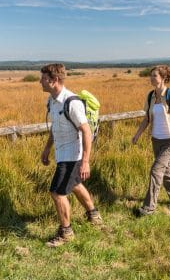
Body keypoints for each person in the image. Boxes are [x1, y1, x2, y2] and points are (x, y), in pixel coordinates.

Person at [40, 63, 102, 247]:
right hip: (61, 153)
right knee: (74, 185)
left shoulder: (71, 102)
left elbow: (86, 131)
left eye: (43, 79)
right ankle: (94, 215)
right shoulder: (52, 101)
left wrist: (85, 162)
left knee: (57, 193)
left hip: (72, 155)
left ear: (54, 81)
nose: (40, 82)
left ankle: (66, 232)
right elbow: (55, 127)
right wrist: (47, 148)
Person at [132, 65, 170, 216]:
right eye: (151, 75)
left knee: (156, 170)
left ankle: (149, 207)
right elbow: (146, 119)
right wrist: (137, 134)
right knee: (166, 171)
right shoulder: (151, 96)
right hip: (156, 140)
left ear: (163, 78)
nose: (151, 78)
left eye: (154, 76)